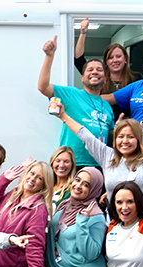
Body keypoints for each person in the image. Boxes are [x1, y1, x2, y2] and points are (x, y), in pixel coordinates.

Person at [56, 107, 143, 215]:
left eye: (130, 137)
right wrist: (63, 116)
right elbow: (85, 135)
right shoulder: (107, 156)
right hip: (117, 229)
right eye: (120, 136)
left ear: (139, 139)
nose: (125, 141)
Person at [39, 36, 114, 168]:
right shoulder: (71, 94)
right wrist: (49, 56)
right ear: (83, 78)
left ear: (105, 78)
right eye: (90, 70)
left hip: (99, 165)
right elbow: (43, 87)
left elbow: (110, 136)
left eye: (99, 70)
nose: (94, 72)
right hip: (71, 163)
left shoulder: (107, 106)